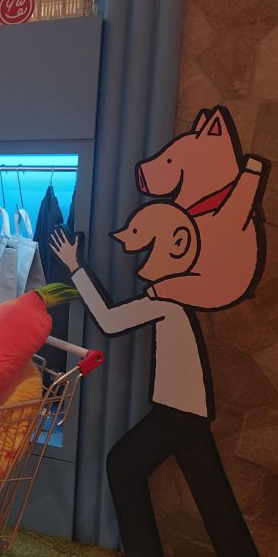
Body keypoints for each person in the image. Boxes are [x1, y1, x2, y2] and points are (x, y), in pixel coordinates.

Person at [50, 206, 259, 557]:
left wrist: (75, 266)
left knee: (123, 467)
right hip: (186, 411)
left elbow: (110, 320)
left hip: (178, 412)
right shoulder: (175, 296)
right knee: (212, 499)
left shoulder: (167, 299)